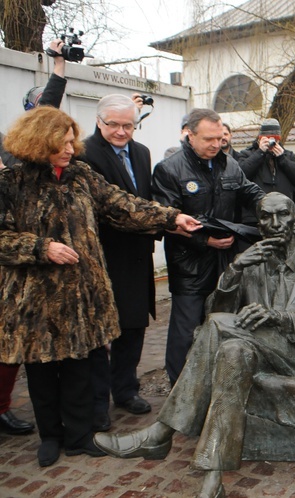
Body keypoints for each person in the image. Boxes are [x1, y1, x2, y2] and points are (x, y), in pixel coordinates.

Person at [95, 192, 295, 498]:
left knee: (218, 326)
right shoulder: (250, 261)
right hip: (253, 351)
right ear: (259, 225)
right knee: (232, 353)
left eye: (282, 215)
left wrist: (280, 317)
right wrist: (234, 271)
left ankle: (162, 432)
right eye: (266, 217)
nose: (275, 223)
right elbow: (216, 311)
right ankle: (213, 478)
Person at [0, 106, 201, 468]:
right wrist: (41, 248)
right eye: (60, 143)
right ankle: (50, 436)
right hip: (35, 299)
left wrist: (171, 216)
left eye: (71, 141)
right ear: (37, 142)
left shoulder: (81, 175)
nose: (69, 148)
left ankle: (79, 436)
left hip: (82, 296)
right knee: (43, 372)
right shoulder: (11, 182)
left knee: (81, 370)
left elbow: (123, 205)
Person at [151, 108, 265, 386]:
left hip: (226, 259)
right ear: (190, 136)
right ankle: (180, 386)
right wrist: (204, 240)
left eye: (219, 138)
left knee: (225, 320)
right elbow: (165, 218)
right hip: (189, 262)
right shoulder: (170, 169)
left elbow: (248, 191)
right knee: (186, 328)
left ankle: (218, 381)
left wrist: (269, 203)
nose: (216, 144)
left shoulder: (229, 164)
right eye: (208, 139)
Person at [0, 38, 69, 436]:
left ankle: (2, 406)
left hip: (20, 258)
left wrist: (59, 67)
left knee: (10, 346)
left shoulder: (20, 155)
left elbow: (48, 112)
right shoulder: (13, 159)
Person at [81, 94, 159, 432]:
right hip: (104, 255)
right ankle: (96, 401)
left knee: (133, 327)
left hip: (138, 255)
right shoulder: (85, 154)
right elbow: (106, 208)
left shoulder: (141, 153)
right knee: (102, 334)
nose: (121, 131)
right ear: (99, 121)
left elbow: (145, 199)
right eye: (113, 124)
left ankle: (125, 389)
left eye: (129, 125)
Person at [237, 118, 295, 225]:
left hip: (283, 215)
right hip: (255, 216)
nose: (272, 142)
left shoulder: (288, 155)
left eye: (275, 139)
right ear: (260, 138)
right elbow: (241, 174)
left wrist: (282, 158)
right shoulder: (247, 154)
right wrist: (260, 153)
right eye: (266, 138)